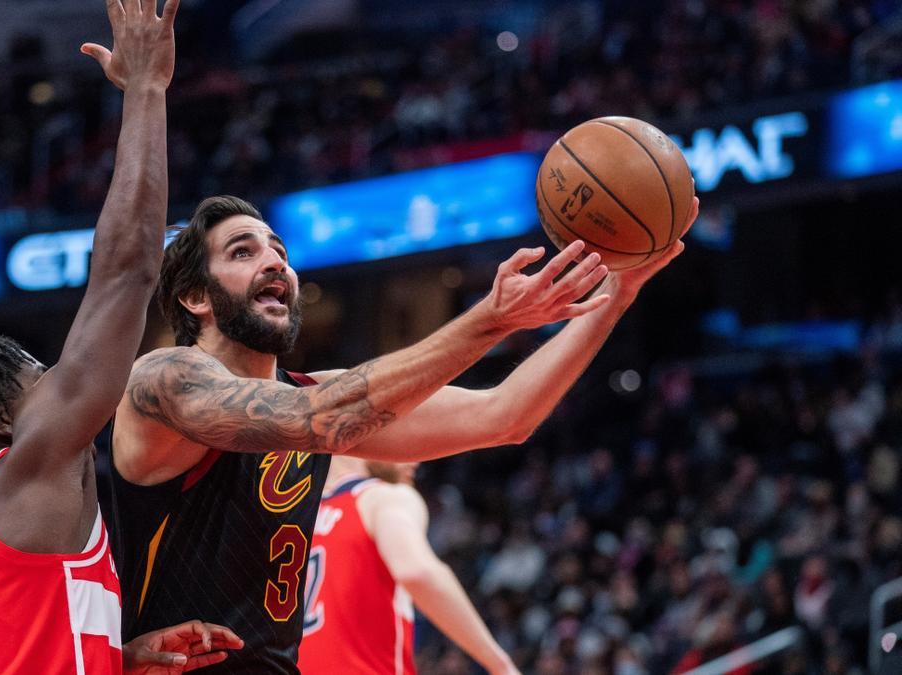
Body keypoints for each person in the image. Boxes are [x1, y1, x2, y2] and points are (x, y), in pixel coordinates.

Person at [98, 193, 698, 672]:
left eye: (278, 249)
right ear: (196, 297)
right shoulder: (165, 380)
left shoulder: (310, 392)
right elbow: (314, 420)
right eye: (242, 252)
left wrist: (617, 296)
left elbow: (505, 416)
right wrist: (490, 321)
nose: (275, 261)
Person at [0, 2, 241, 672]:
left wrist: (115, 657)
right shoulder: (27, 465)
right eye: (35, 371)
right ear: (0, 419)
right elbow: (126, 271)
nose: (59, 374)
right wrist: (146, 90)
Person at [297, 457, 520, 675]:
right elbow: (416, 572)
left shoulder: (294, 521)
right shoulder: (383, 497)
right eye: (406, 439)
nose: (417, 458)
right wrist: (499, 664)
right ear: (368, 432)